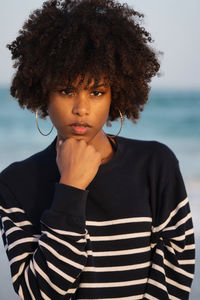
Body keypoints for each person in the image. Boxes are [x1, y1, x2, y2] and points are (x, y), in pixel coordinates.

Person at [0, 0, 195, 299]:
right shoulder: (15, 184)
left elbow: (177, 270)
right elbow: (39, 293)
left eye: (96, 92)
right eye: (66, 91)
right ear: (43, 94)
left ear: (115, 94)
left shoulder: (156, 165)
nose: (82, 109)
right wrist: (70, 191)